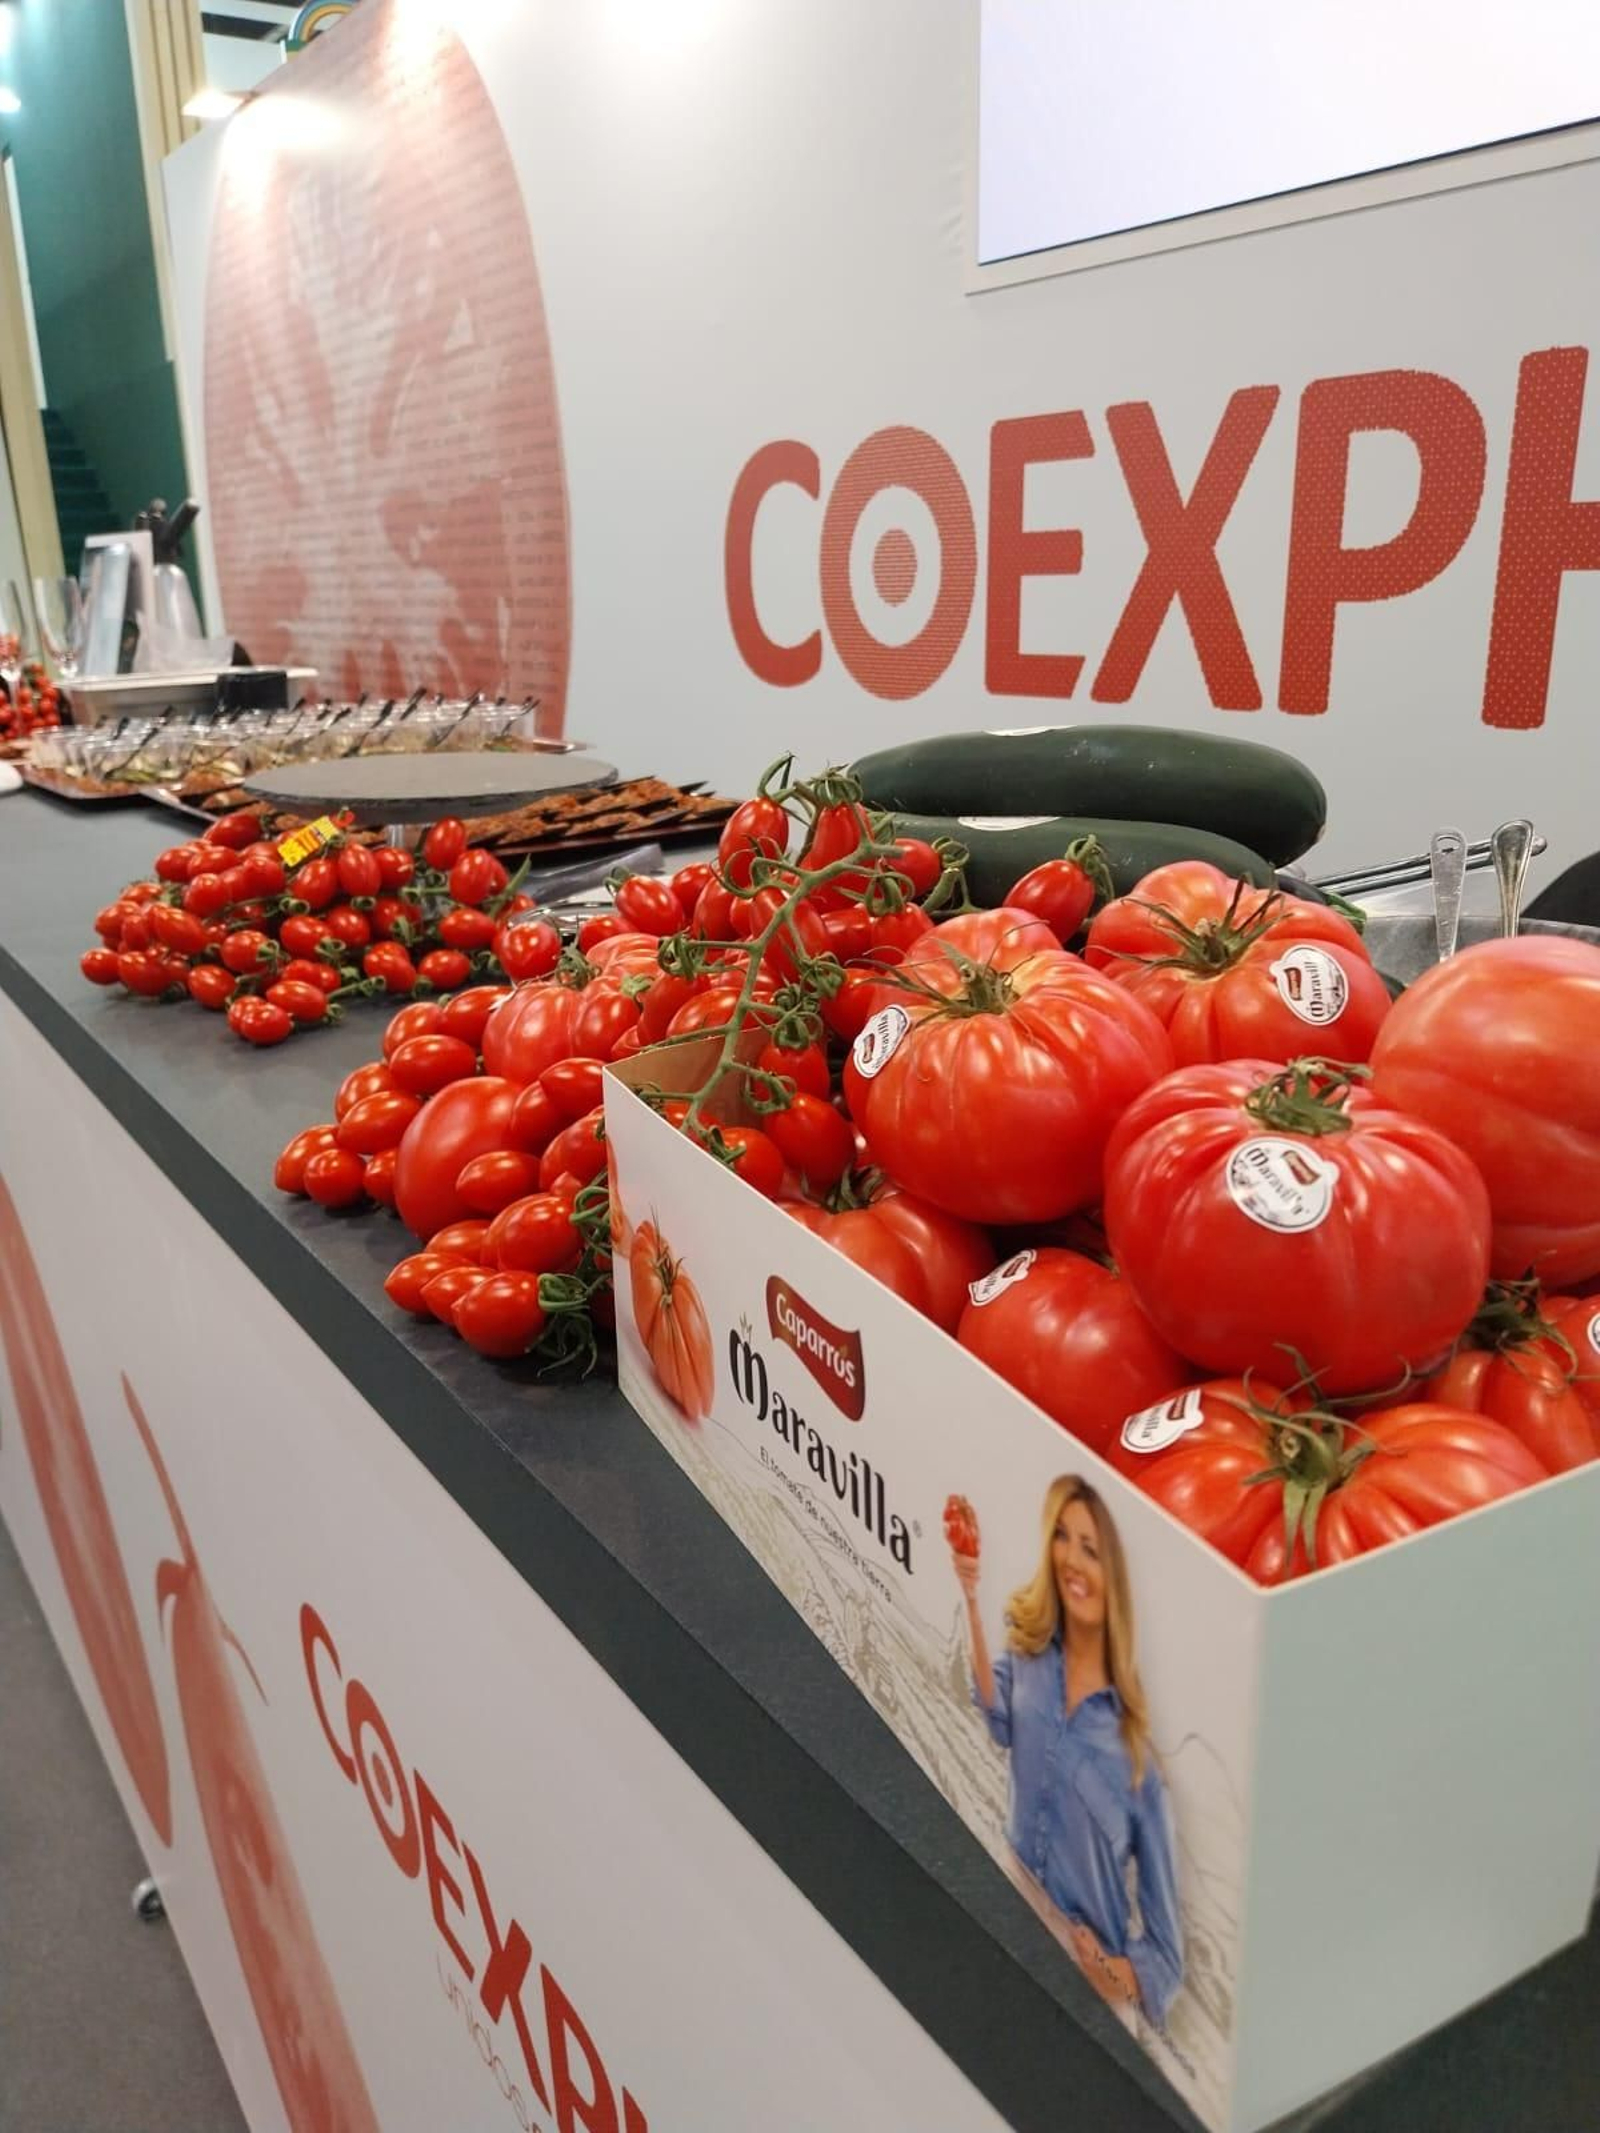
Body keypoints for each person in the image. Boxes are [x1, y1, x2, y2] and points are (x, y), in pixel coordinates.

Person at [954, 1474, 1183, 2024]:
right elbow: (994, 1713)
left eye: (1090, 1549)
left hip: (1085, 1989)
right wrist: (969, 1596)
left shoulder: (1137, 1760)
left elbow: (1166, 1957)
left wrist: (1112, 1975)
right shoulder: (1031, 1664)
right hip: (1005, 1904)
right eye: (1062, 1538)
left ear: (1116, 1581)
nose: (1072, 1561)